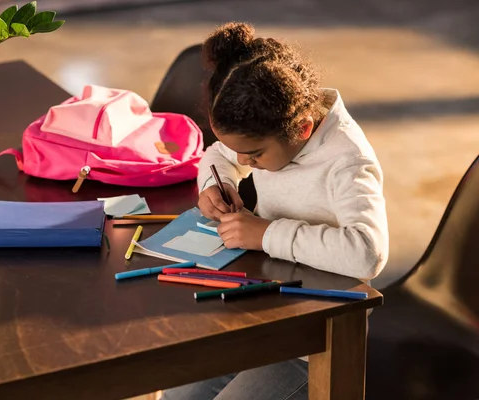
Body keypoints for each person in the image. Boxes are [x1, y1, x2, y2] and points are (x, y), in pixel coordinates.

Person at [160, 22, 389, 400]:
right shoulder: (273, 129)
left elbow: (367, 253)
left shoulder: (347, 161)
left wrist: (266, 233)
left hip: (316, 334)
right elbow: (219, 154)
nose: (245, 161)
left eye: (254, 156)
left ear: (301, 129)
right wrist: (216, 185)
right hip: (262, 309)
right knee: (176, 394)